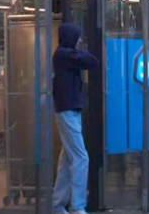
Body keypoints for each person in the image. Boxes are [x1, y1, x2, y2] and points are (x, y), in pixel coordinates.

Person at [52, 23, 99, 214]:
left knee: (67, 159)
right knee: (81, 157)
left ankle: (58, 205)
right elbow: (93, 62)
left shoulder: (64, 55)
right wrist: (82, 50)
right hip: (68, 111)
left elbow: (90, 61)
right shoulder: (64, 55)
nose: (80, 40)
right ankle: (77, 206)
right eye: (78, 37)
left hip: (69, 110)